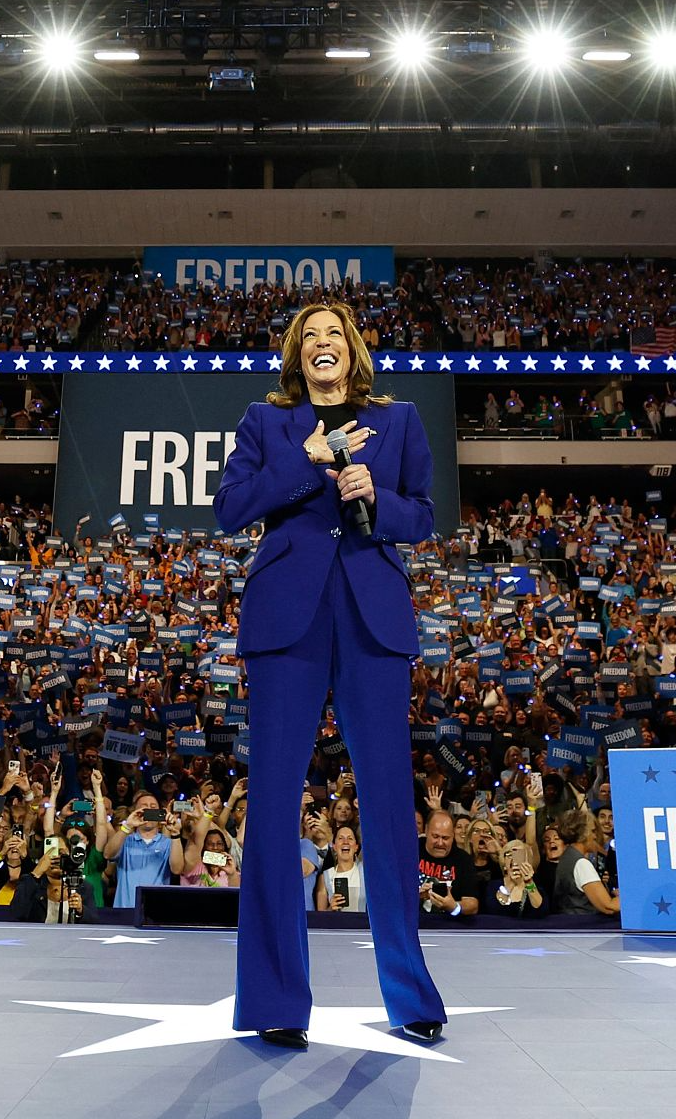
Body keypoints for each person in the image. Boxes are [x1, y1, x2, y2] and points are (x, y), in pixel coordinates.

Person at [215, 299, 447, 1050]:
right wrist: (304, 460)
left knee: (386, 805)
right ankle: (276, 1001)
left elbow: (424, 517)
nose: (322, 344)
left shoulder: (401, 420)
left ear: (353, 351)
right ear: (296, 356)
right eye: (309, 336)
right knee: (275, 808)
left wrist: (377, 496)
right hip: (287, 620)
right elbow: (230, 510)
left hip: (372, 616)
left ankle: (410, 995)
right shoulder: (266, 421)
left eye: (333, 335)